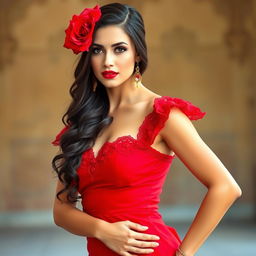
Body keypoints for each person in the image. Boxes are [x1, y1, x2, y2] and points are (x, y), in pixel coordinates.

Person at [51, 3, 242, 256]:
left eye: (119, 49)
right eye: (97, 50)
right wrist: (104, 231)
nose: (108, 61)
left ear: (137, 54)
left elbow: (226, 187)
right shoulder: (82, 122)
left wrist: (185, 253)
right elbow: (61, 212)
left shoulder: (163, 115)